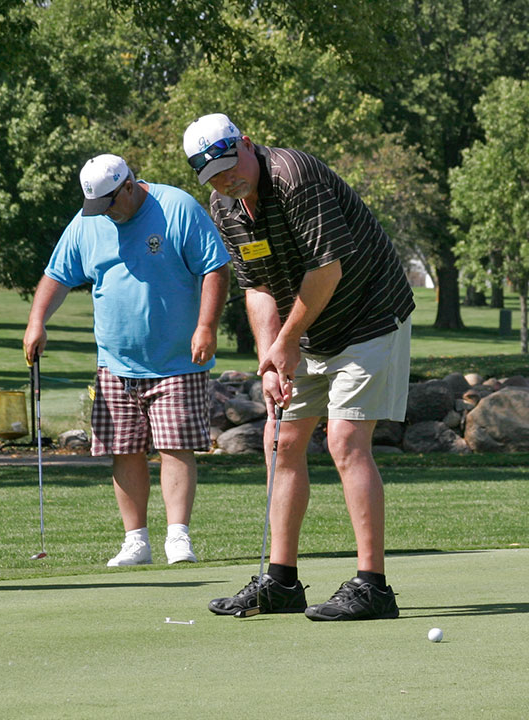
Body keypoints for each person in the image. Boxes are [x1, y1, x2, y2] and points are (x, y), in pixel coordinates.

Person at [182, 113, 414, 621]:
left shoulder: (293, 175)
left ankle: (373, 586)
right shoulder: (224, 206)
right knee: (279, 440)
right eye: (213, 175)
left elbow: (325, 269)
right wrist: (270, 360)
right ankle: (281, 582)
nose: (226, 180)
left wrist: (285, 342)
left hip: (369, 316)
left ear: (245, 143)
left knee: (345, 441)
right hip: (305, 329)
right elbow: (259, 286)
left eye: (229, 165)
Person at [23, 153, 231, 567]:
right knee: (124, 450)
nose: (105, 214)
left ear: (130, 186)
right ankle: (136, 541)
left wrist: (206, 326)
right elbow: (57, 275)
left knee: (175, 447)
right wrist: (36, 322)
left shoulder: (176, 208)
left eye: (110, 203)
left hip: (176, 358)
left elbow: (216, 267)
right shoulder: (89, 221)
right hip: (115, 362)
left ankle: (178, 537)